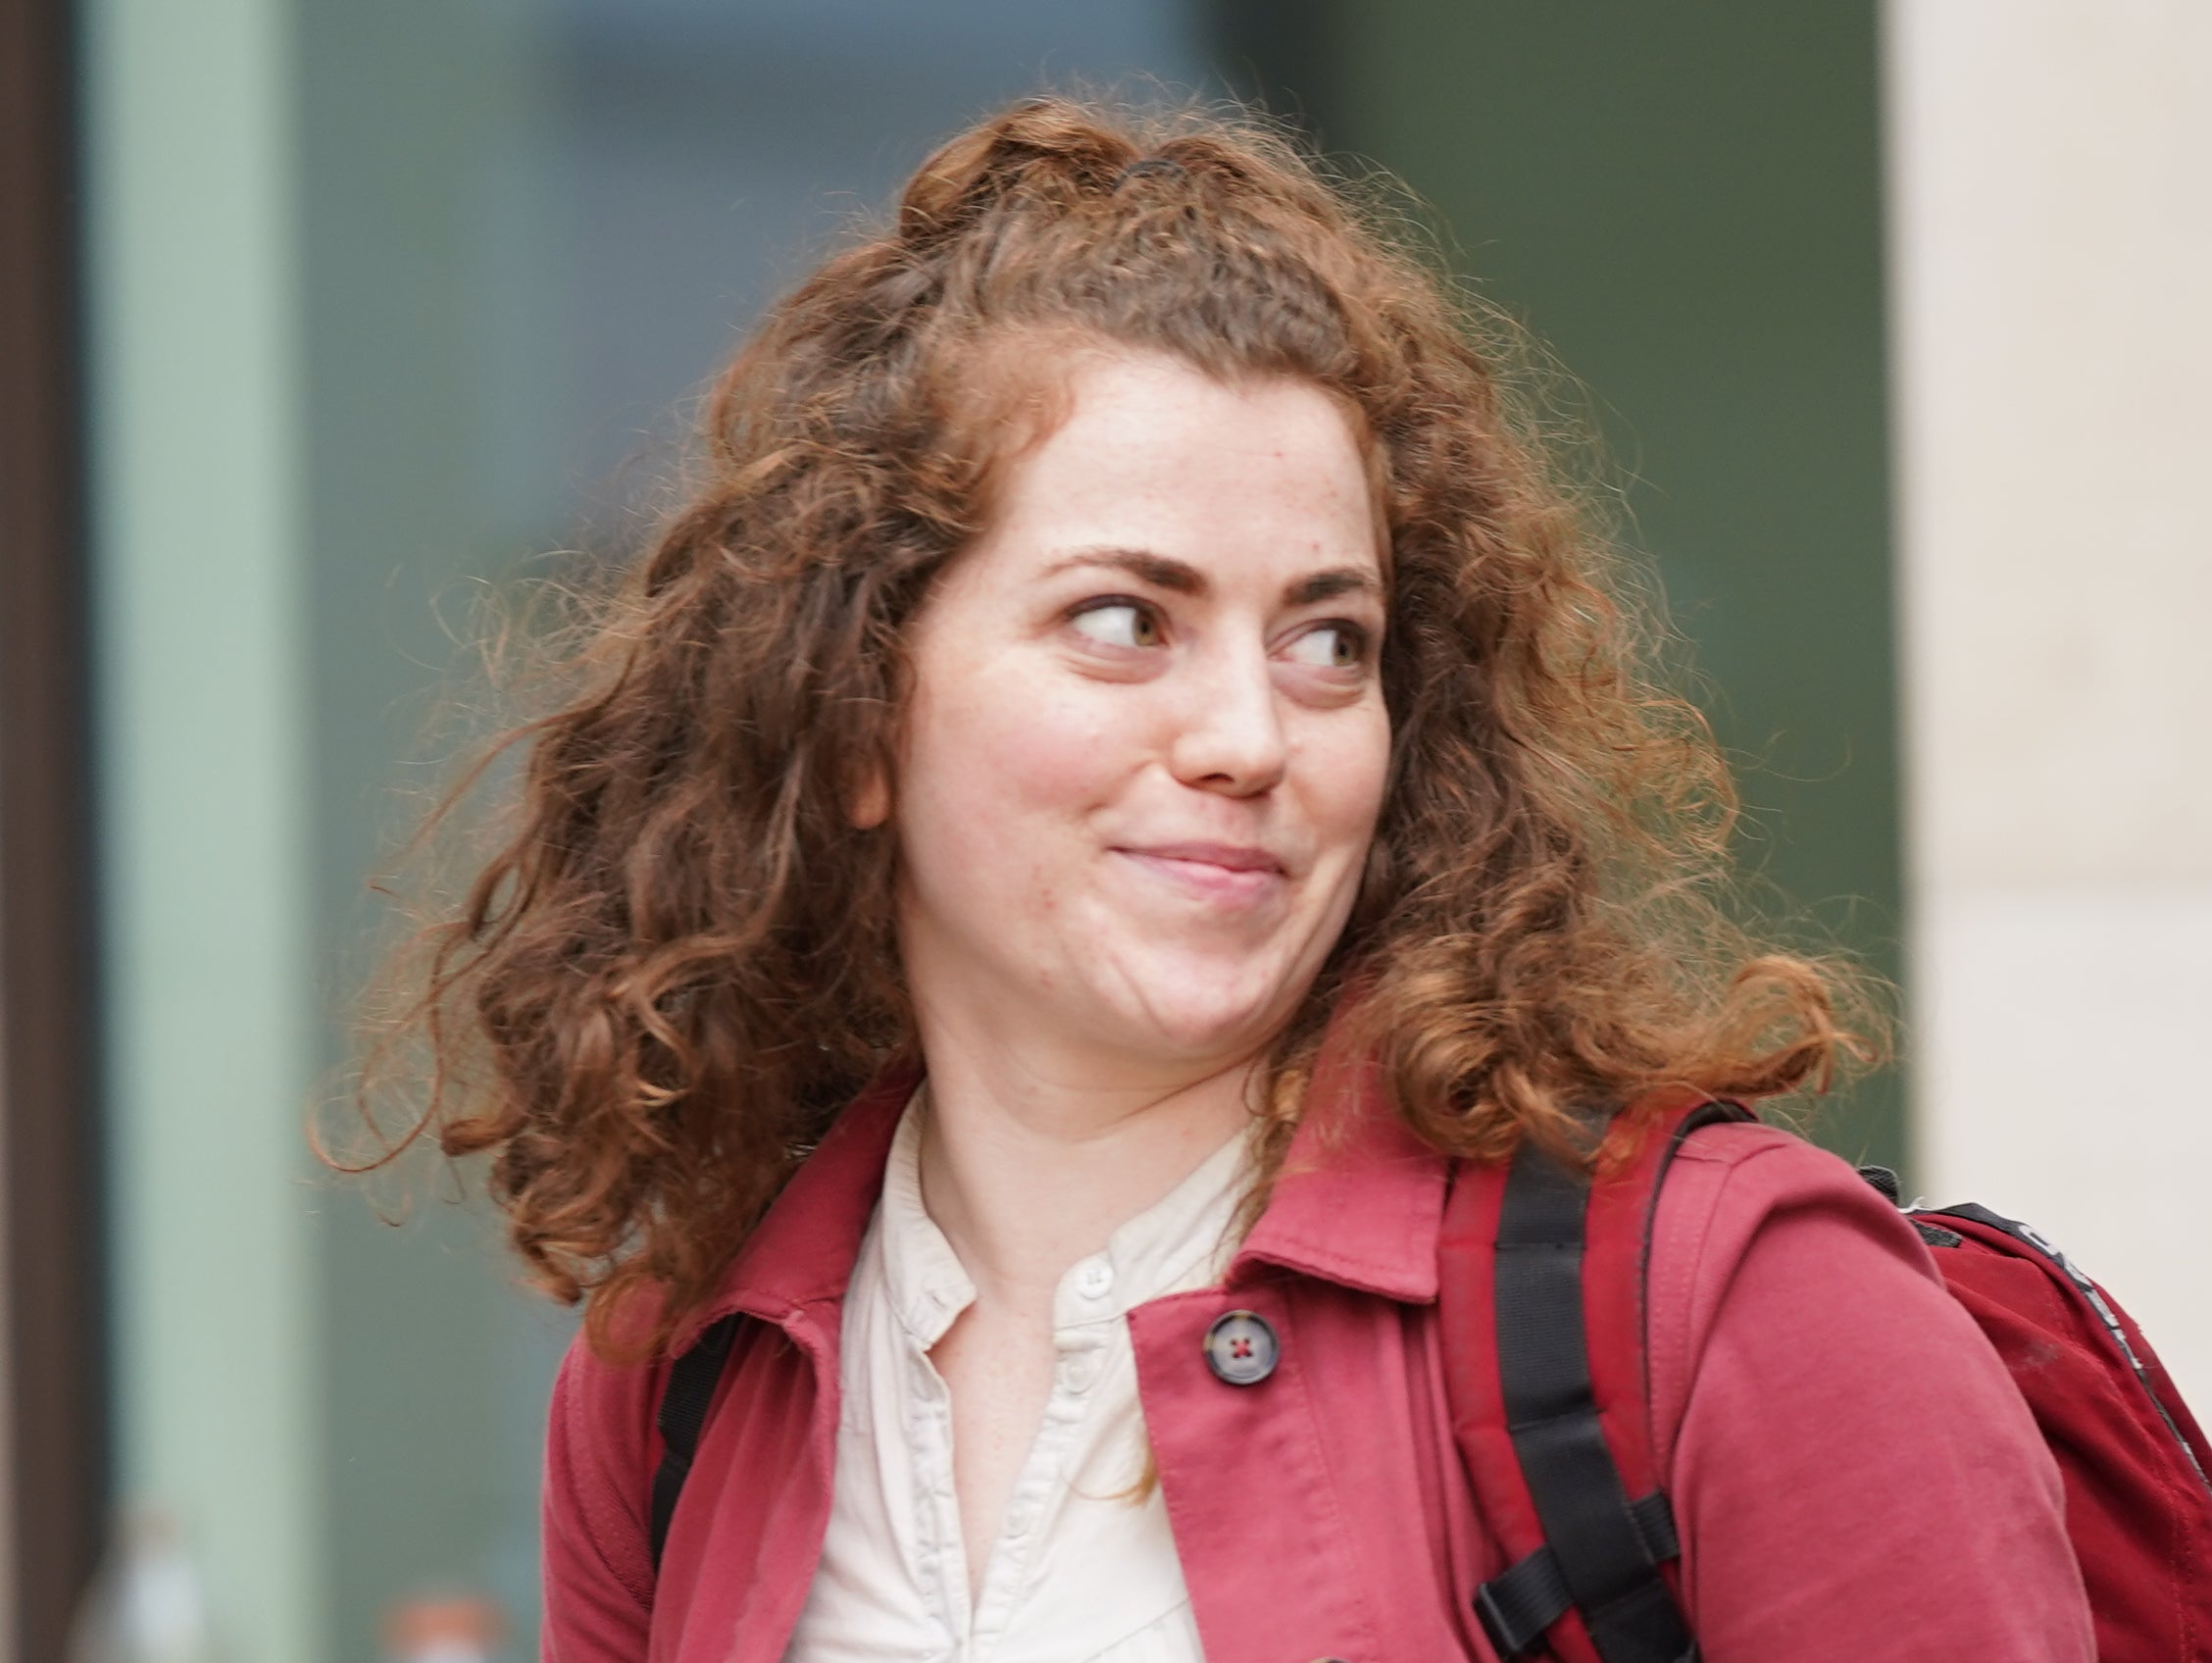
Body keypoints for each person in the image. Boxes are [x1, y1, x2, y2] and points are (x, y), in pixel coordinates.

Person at [372, 97, 2093, 1661]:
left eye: (1329, 641)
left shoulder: (1735, 1305)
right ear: (850, 718)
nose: (1251, 735)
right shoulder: (675, 1381)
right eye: (1126, 620)